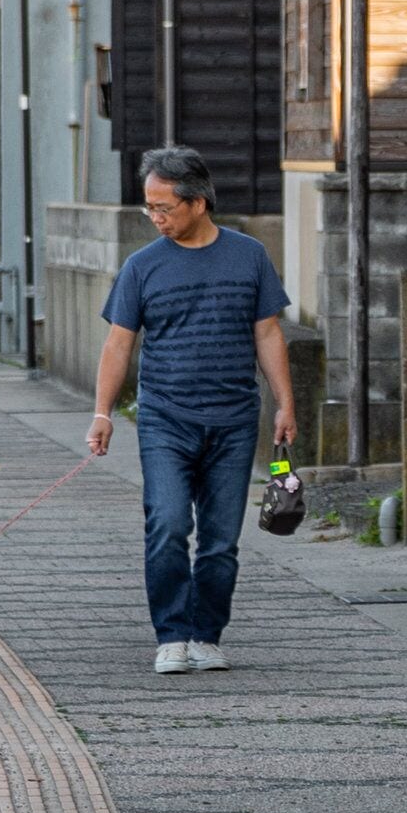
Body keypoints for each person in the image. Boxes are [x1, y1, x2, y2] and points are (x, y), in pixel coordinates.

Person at [86, 145, 297, 674]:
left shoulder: (249, 255)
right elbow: (118, 343)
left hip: (234, 419)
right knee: (168, 523)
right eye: (149, 208)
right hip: (165, 418)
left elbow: (268, 332)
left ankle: (206, 635)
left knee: (221, 540)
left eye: (164, 208)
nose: (155, 218)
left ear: (198, 202)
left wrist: (285, 404)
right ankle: (172, 635)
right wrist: (102, 412)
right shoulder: (141, 266)